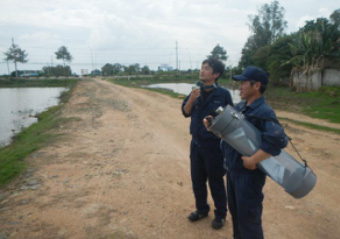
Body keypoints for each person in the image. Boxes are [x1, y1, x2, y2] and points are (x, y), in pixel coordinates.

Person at [204, 66, 287, 238]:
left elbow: (278, 139)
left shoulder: (264, 111)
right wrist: (212, 127)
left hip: (248, 176)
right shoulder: (241, 107)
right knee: (236, 215)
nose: (239, 87)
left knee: (249, 219)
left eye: (243, 83)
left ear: (256, 86)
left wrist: (254, 160)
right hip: (233, 170)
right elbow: (232, 133)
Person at [181, 58, 233, 229]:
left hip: (214, 147)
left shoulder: (223, 95)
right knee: (197, 180)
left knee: (216, 180)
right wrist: (191, 99)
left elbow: (230, 121)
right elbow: (185, 112)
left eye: (206, 68)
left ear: (216, 74)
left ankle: (220, 214)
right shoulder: (195, 91)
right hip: (196, 144)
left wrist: (215, 124)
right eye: (202, 68)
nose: (202, 71)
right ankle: (202, 209)